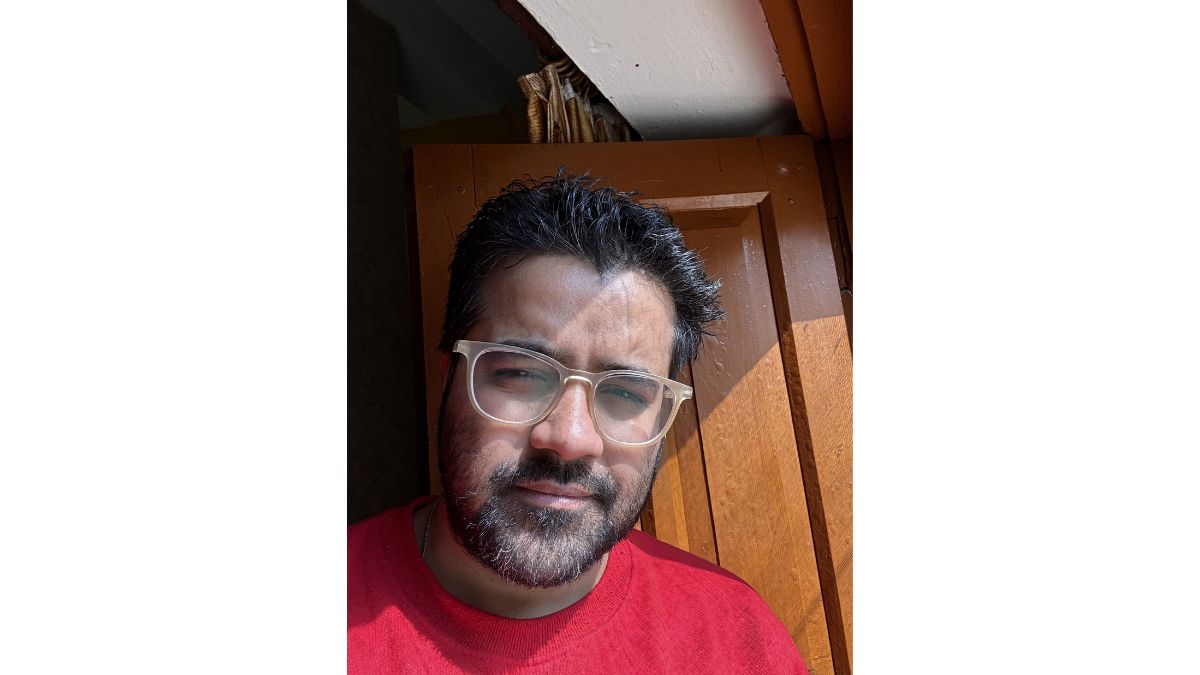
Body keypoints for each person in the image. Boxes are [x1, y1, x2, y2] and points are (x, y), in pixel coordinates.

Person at [348, 172, 809, 673]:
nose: (569, 439)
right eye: (521, 373)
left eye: (625, 393)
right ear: (450, 376)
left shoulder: (737, 641)